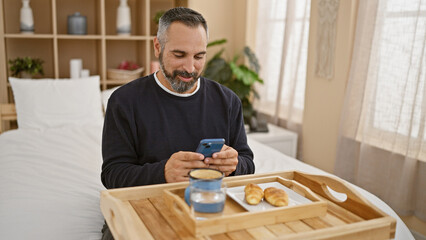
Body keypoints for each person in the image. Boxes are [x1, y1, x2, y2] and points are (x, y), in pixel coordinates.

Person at [100, 7, 254, 239]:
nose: (190, 68)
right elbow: (113, 175)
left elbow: (247, 163)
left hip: (209, 208)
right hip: (143, 209)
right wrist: (162, 172)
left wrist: (234, 165)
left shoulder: (228, 101)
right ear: (157, 47)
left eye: (199, 56)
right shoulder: (124, 101)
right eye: (179, 55)